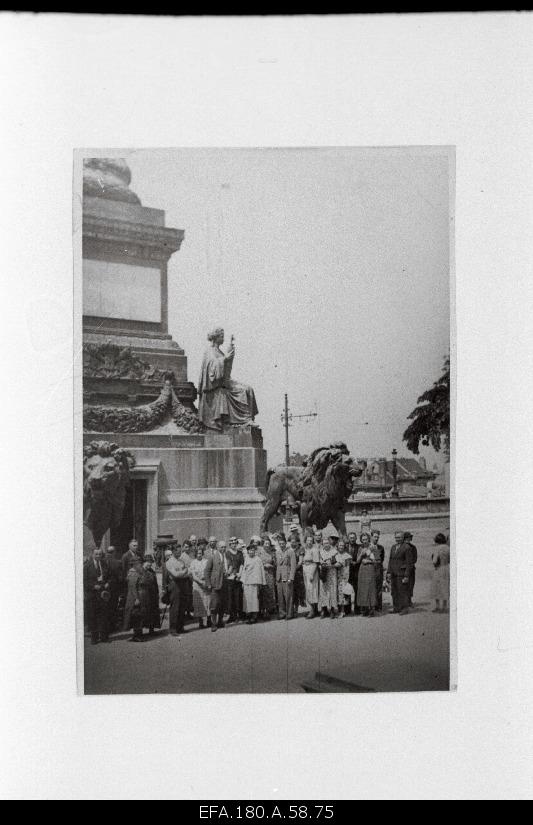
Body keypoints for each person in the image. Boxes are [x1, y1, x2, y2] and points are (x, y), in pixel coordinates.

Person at [197, 327, 258, 430]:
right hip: (214, 387)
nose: (223, 338)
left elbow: (225, 372)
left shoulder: (219, 352)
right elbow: (211, 371)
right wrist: (225, 359)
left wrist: (230, 356)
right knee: (242, 391)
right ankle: (245, 420)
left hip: (224, 382)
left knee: (249, 389)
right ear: (216, 338)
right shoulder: (209, 351)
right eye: (221, 336)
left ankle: (249, 419)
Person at [84, 547, 112, 644]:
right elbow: (84, 581)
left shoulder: (104, 564)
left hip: (103, 594)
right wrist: (93, 586)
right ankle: (94, 638)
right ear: (92, 554)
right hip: (92, 595)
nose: (98, 556)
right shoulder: (87, 566)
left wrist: (108, 583)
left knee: (103, 616)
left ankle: (104, 637)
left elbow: (109, 577)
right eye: (96, 554)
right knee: (92, 617)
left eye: (100, 554)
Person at [386, 531, 415, 615]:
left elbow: (409, 563)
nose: (397, 539)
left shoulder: (407, 547)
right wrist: (388, 571)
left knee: (402, 591)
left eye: (399, 537)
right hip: (393, 573)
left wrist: (406, 576)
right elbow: (390, 560)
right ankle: (396, 607)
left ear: (403, 538)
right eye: (396, 537)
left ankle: (404, 608)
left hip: (402, 573)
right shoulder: (393, 547)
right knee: (394, 591)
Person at [166, 544, 190, 636]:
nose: (179, 553)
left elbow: (188, 572)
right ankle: (173, 629)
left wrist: (182, 573)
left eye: (180, 551)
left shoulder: (181, 561)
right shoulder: (169, 562)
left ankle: (180, 627)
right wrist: (184, 572)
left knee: (182, 606)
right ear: (173, 551)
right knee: (175, 607)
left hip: (183, 584)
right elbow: (176, 575)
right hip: (175, 585)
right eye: (177, 551)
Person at [240, 543, 266, 623]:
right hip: (247, 582)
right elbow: (244, 570)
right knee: (247, 600)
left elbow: (260, 571)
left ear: (255, 551)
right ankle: (249, 615)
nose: (251, 552)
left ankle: (254, 617)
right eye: (250, 550)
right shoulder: (246, 559)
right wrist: (243, 581)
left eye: (253, 550)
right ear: (247, 551)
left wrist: (261, 583)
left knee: (254, 599)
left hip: (255, 582)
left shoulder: (258, 559)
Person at [204, 540, 226, 631]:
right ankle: (213, 624)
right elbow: (207, 571)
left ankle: (220, 621)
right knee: (214, 604)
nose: (223, 549)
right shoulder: (213, 557)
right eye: (222, 547)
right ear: (218, 547)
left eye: (225, 547)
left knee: (222, 604)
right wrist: (208, 583)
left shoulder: (225, 556)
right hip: (215, 584)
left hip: (224, 583)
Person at [122, 559, 146, 642]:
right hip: (134, 598)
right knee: (136, 616)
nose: (141, 566)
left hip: (137, 596)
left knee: (138, 616)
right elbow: (132, 587)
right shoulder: (133, 574)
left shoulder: (137, 572)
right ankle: (136, 635)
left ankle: (138, 634)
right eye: (139, 564)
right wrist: (136, 599)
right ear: (134, 565)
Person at [275, 532, 296, 620]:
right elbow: (277, 564)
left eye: (283, 543)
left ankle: (289, 613)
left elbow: (293, 565)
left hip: (287, 576)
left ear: (286, 543)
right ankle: (282, 613)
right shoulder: (277, 552)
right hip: (279, 576)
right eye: (280, 544)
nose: (282, 545)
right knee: (280, 596)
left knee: (288, 595)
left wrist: (291, 577)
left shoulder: (290, 551)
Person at [318, 536, 341, 619]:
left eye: (327, 543)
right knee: (323, 591)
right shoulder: (320, 552)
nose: (326, 545)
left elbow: (339, 563)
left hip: (332, 573)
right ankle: (324, 610)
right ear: (322, 544)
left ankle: (332, 610)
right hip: (324, 573)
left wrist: (331, 564)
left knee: (332, 591)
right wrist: (322, 564)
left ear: (330, 543)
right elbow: (318, 562)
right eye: (324, 543)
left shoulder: (334, 551)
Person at [356, 533, 378, 617]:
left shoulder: (373, 547)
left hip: (370, 568)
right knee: (363, 588)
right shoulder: (360, 548)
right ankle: (365, 609)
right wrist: (361, 554)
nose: (364, 541)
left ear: (369, 539)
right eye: (363, 539)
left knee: (371, 588)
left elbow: (377, 561)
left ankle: (372, 609)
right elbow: (357, 561)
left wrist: (368, 561)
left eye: (366, 539)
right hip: (362, 569)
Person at [189, 545, 210, 628]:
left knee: (207, 602)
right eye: (198, 553)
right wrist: (200, 582)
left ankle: (209, 620)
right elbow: (193, 575)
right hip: (197, 585)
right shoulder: (193, 562)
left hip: (205, 583)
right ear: (195, 554)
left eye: (201, 553)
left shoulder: (206, 561)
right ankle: (200, 622)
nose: (199, 555)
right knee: (199, 603)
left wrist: (205, 581)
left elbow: (208, 572)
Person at [225, 537, 244, 623]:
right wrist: (231, 574)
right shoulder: (227, 553)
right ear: (230, 544)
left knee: (238, 596)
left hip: (238, 577)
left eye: (235, 542)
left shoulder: (240, 553)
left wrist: (239, 574)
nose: (234, 544)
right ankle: (231, 616)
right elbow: (228, 564)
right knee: (230, 597)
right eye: (232, 543)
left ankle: (238, 615)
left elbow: (242, 564)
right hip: (230, 577)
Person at [258, 534, 277, 619]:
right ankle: (262, 610)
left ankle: (268, 611)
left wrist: (271, 566)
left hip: (270, 574)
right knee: (262, 592)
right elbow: (257, 563)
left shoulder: (272, 552)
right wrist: (264, 565)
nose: (267, 545)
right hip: (261, 574)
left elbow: (275, 564)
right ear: (263, 544)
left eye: (268, 543)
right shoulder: (259, 552)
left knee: (269, 592)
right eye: (265, 543)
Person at [104, 545, 123, 631]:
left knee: (104, 607)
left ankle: (104, 627)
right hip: (114, 589)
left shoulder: (102, 561)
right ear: (114, 552)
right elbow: (120, 578)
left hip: (102, 588)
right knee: (112, 607)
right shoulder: (117, 563)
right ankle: (111, 627)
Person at [140, 554, 160, 634]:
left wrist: (157, 593)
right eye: (148, 562)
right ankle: (140, 632)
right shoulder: (140, 571)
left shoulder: (152, 571)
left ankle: (151, 629)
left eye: (151, 562)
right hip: (144, 595)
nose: (150, 564)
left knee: (153, 611)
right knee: (143, 613)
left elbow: (155, 583)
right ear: (144, 562)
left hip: (153, 594)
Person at [431, 533, 450, 613]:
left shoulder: (437, 548)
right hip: (446, 568)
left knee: (437, 588)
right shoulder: (448, 548)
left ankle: (438, 606)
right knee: (445, 587)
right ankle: (445, 607)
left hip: (438, 569)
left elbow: (434, 561)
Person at [302, 533, 320, 619]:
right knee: (308, 589)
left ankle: (312, 610)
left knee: (311, 590)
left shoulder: (314, 549)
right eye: (307, 540)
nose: (309, 542)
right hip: (305, 569)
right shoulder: (305, 549)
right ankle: (315, 609)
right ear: (305, 541)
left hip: (312, 570)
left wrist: (312, 574)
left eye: (311, 541)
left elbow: (316, 563)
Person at [290, 531, 306, 618]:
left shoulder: (301, 549)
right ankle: (291, 609)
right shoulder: (289, 549)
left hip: (298, 572)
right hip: (290, 573)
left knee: (298, 590)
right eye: (291, 541)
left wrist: (293, 569)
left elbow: (300, 561)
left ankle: (297, 608)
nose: (293, 543)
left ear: (297, 541)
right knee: (291, 591)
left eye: (294, 541)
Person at [369, 530, 385, 612]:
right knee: (371, 588)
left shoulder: (381, 547)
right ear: (371, 537)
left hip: (378, 569)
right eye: (375, 537)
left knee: (378, 588)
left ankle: (378, 606)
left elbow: (382, 559)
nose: (376, 538)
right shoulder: (367, 546)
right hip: (369, 569)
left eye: (378, 537)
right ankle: (371, 605)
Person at [336, 538, 353, 616]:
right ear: (337, 546)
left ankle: (343, 611)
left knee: (342, 594)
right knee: (337, 594)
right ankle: (339, 610)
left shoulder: (347, 556)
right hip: (336, 576)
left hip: (343, 576)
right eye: (340, 545)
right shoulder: (335, 554)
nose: (341, 547)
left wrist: (346, 579)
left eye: (342, 545)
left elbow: (347, 568)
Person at [403, 531, 418, 607]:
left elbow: (415, 559)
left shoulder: (413, 547)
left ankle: (409, 601)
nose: (410, 539)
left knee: (411, 585)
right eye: (408, 537)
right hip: (403, 569)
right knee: (404, 585)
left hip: (411, 569)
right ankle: (406, 601)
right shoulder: (401, 547)